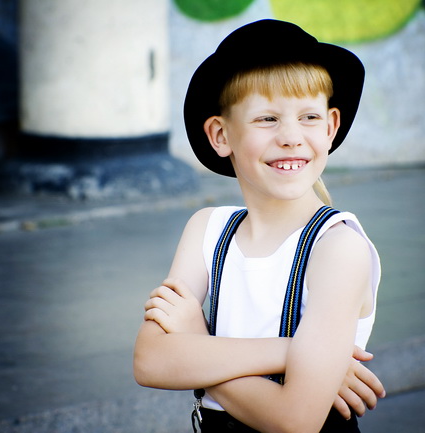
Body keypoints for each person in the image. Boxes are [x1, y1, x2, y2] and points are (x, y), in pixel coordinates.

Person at [134, 19, 385, 432]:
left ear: (330, 127)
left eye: (308, 116)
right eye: (267, 119)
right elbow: (150, 362)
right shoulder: (207, 230)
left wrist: (198, 343)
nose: (291, 137)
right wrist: (291, 353)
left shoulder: (338, 248)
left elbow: (296, 420)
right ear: (220, 135)